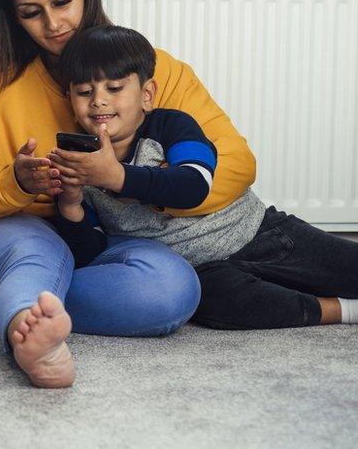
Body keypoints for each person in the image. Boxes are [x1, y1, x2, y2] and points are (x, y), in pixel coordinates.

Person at [0, 0, 256, 389]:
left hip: (109, 239)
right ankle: (28, 341)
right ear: (13, 16)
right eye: (31, 12)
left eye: (63, 1)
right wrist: (16, 184)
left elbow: (237, 164)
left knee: (175, 289)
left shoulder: (153, 69)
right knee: (36, 250)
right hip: (25, 235)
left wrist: (125, 183)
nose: (54, 25)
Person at [49, 24, 358, 330]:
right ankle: (341, 310)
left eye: (114, 88)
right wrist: (71, 206)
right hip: (203, 271)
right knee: (219, 307)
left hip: (256, 232)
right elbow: (90, 254)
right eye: (84, 92)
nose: (98, 100)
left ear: (146, 94)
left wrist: (118, 176)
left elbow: (194, 185)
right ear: (71, 101)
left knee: (346, 266)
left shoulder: (173, 126)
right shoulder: (77, 163)